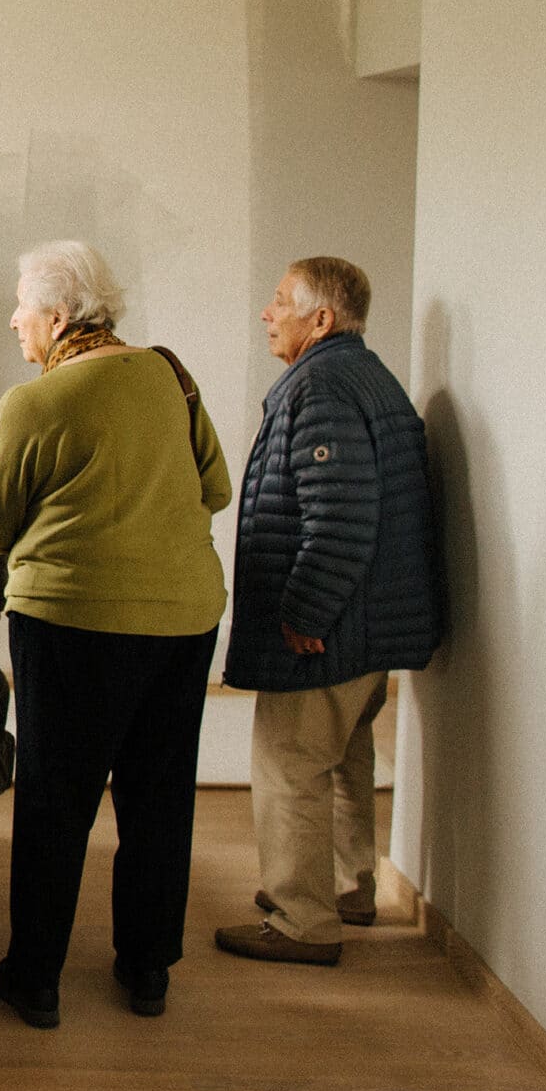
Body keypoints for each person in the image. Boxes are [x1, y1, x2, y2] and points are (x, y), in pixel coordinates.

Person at [0, 240, 230, 1027]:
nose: (15, 319)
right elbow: (216, 487)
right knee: (159, 797)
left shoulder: (32, 404)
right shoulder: (169, 374)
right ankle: (147, 968)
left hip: (72, 621)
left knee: (56, 802)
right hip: (184, 618)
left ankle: (37, 977)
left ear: (58, 317)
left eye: (23, 305)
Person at [215, 257, 444, 966]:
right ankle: (348, 887)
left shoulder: (319, 387)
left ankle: (301, 920)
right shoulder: (366, 375)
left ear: (321, 319)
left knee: (290, 764)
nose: (267, 313)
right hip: (372, 625)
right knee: (344, 756)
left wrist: (306, 614)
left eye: (280, 301)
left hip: (331, 629)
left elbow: (340, 516)